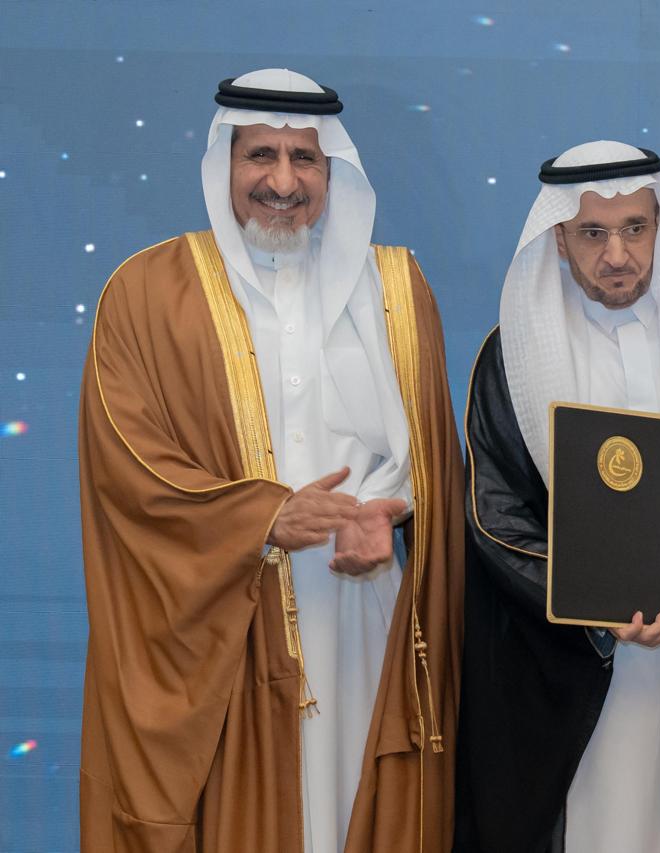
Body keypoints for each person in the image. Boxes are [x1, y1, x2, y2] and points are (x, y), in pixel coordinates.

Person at [78, 69, 463, 853]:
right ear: (223, 161)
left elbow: (434, 456)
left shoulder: (394, 288)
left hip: (366, 619)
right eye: (261, 155)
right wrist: (264, 516)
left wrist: (391, 510)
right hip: (223, 628)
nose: (283, 183)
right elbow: (126, 465)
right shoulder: (146, 294)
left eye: (304, 159)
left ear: (332, 171)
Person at [454, 141, 660, 853]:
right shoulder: (513, 352)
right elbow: (494, 515)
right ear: (558, 240)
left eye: (635, 228)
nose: (617, 255)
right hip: (576, 666)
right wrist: (595, 606)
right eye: (592, 233)